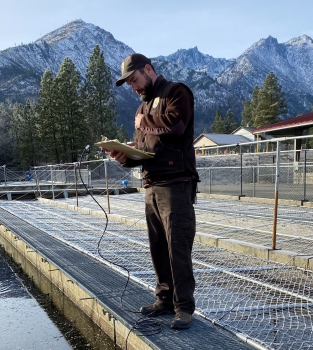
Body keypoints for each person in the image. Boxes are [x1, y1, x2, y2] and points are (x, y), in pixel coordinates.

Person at [109, 53, 199, 330]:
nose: (134, 88)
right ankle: (164, 300)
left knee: (177, 248)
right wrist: (124, 157)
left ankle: (183, 308)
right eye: (130, 85)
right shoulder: (141, 109)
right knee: (158, 247)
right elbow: (144, 152)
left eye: (134, 80)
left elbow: (176, 125)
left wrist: (144, 122)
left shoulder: (176, 92)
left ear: (148, 69)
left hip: (176, 184)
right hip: (151, 184)